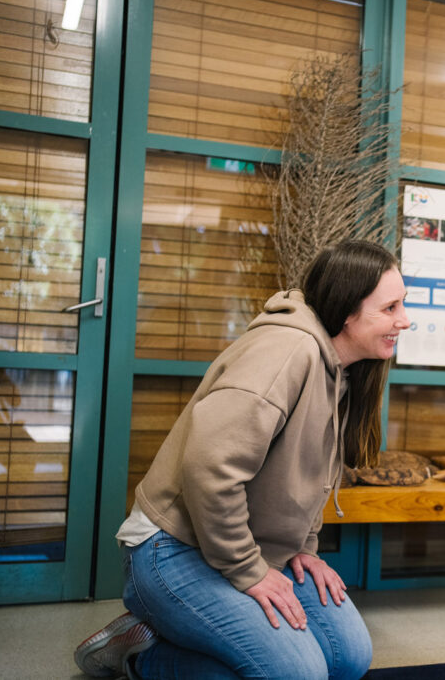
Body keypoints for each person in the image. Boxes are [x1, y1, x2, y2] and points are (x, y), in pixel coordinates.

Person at [74, 240, 411, 679]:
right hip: (171, 549)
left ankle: (170, 637)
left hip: (242, 546)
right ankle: (141, 659)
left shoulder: (339, 371)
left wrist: (301, 549)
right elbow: (209, 467)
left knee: (347, 658)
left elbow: (307, 478)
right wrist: (248, 571)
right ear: (347, 310)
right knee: (299, 674)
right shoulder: (287, 352)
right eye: (390, 308)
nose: (405, 320)